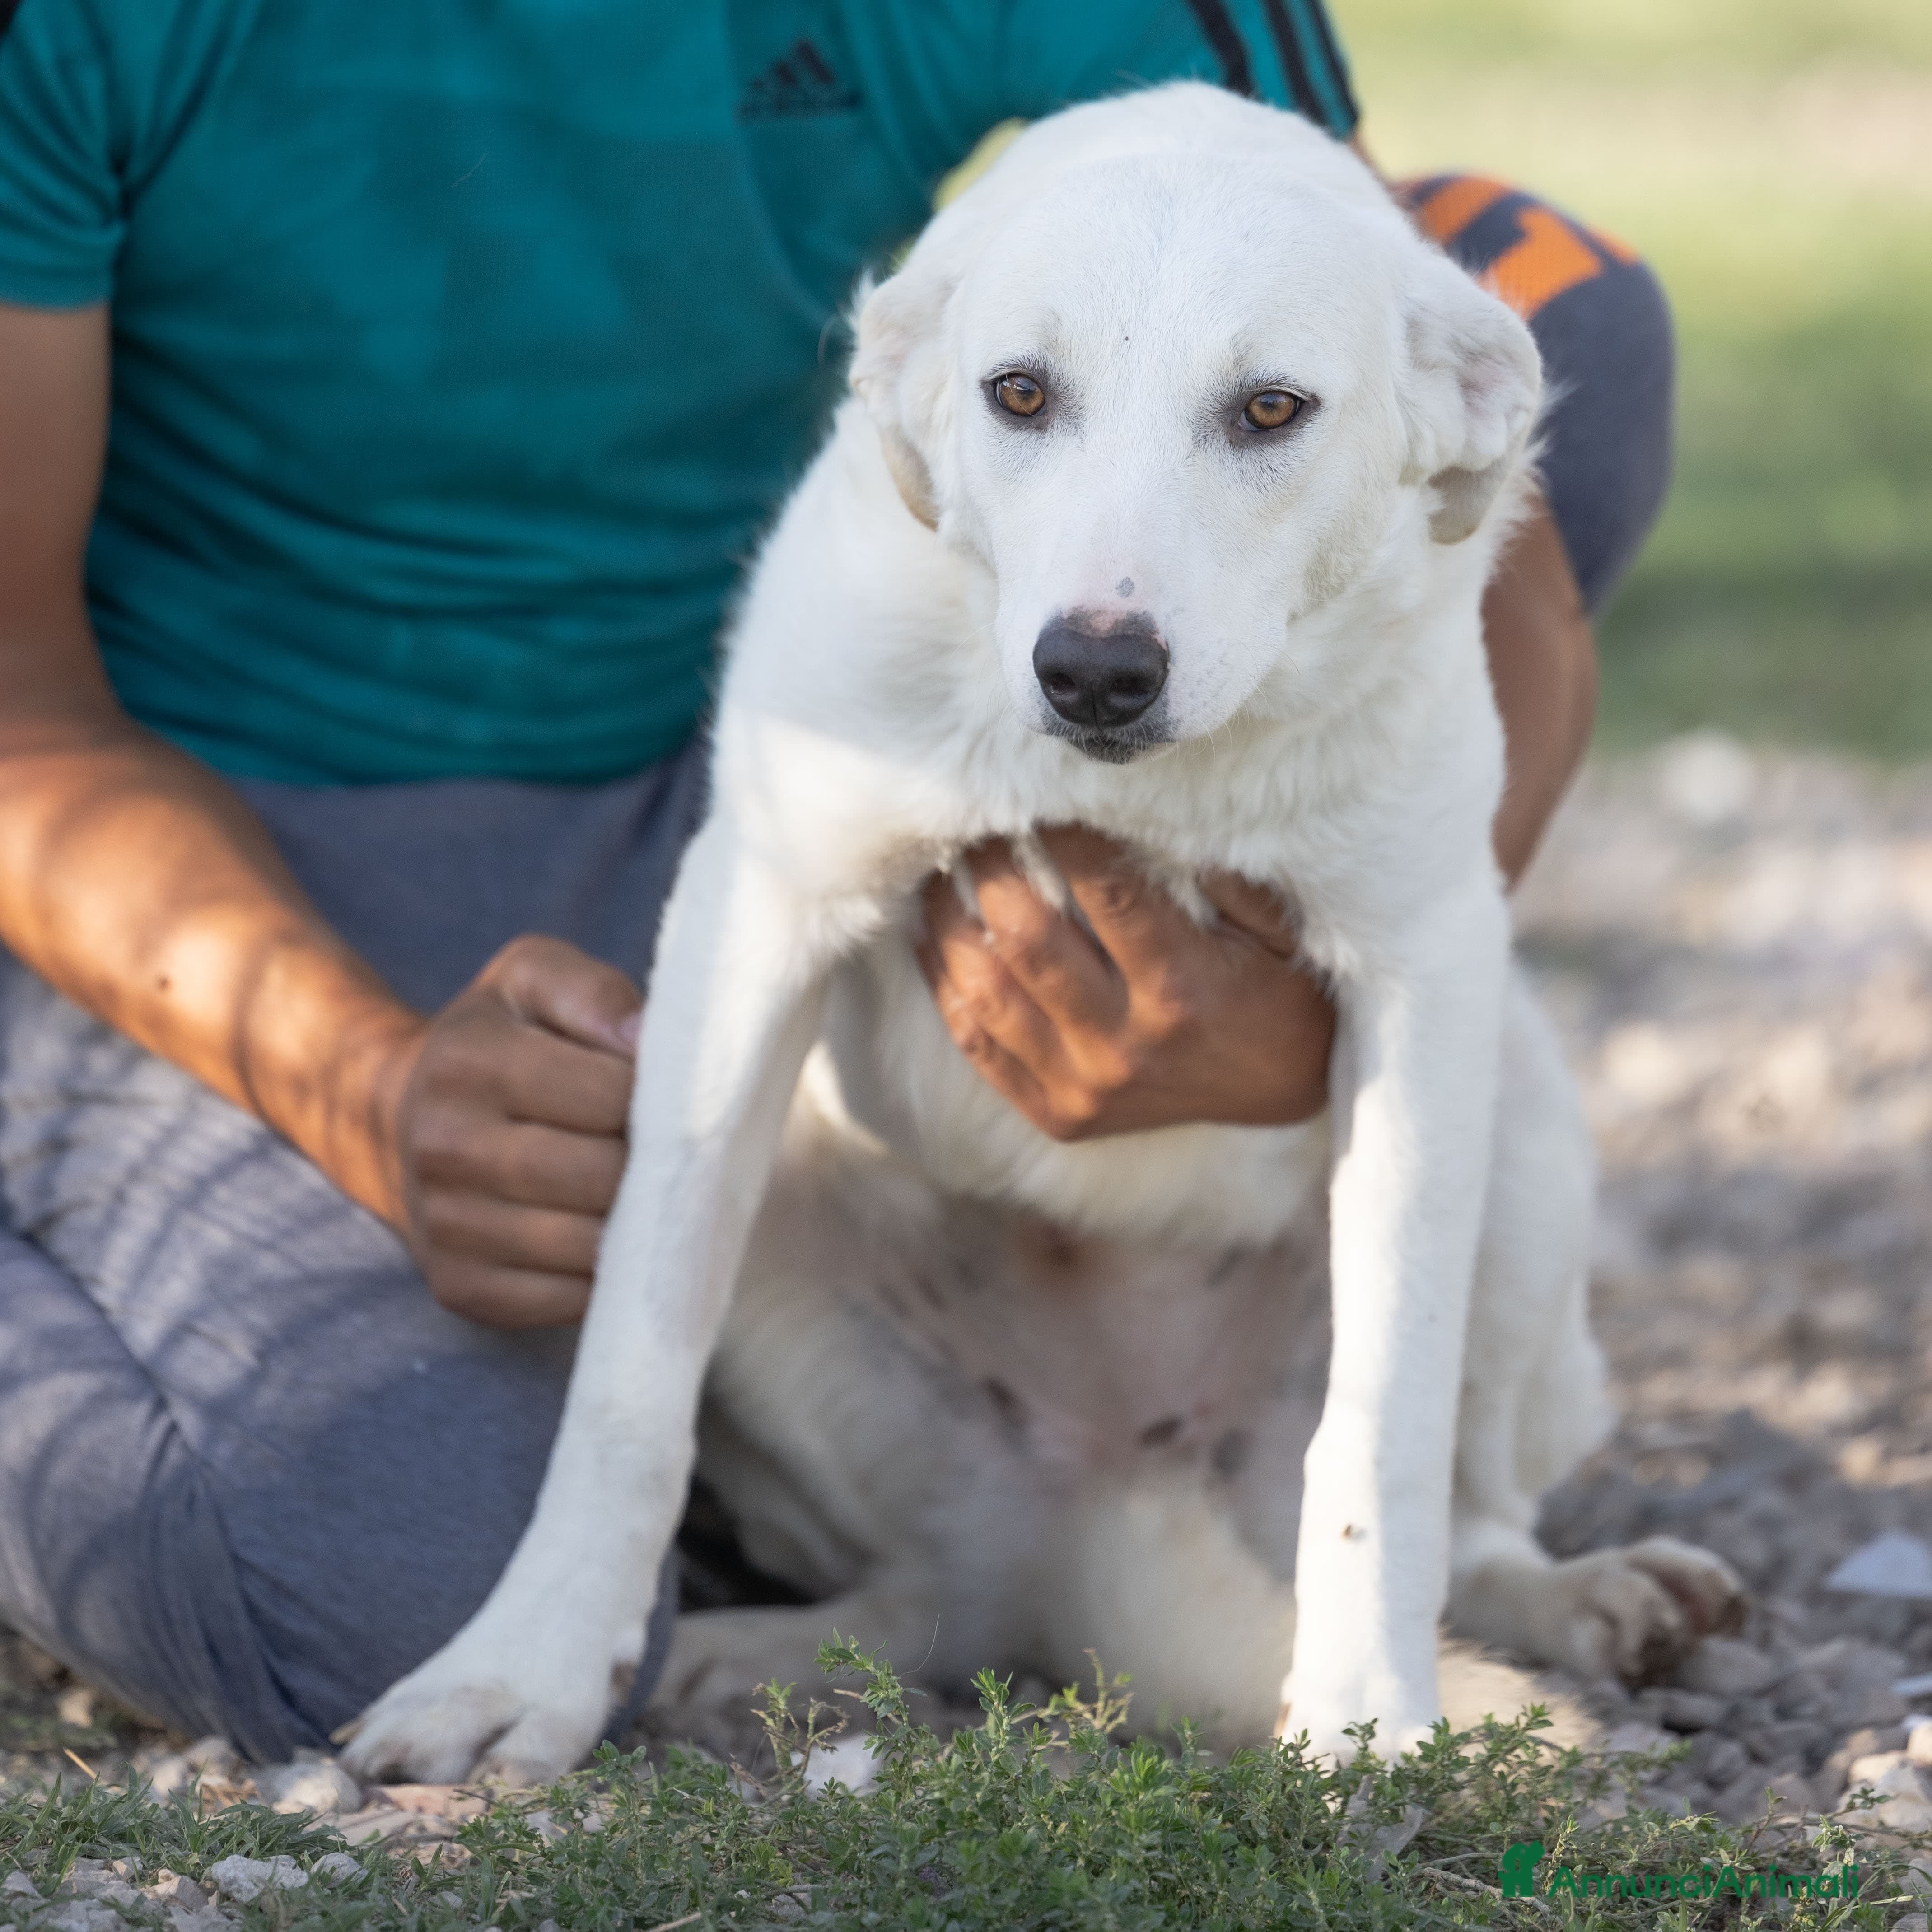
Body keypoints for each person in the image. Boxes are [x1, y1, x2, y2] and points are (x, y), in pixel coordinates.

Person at [0, 0, 1669, 1762]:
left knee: (1570, 322)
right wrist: (355, 1079)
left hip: (826, 694)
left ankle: (885, 1493)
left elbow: (1453, 514)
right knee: (360, 1602)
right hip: (234, 800)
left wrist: (1300, 1008)